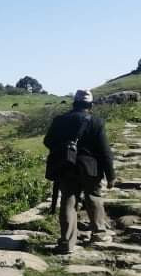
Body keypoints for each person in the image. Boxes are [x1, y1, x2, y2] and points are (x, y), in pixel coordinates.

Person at [43, 89, 115, 254]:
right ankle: (99, 235)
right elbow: (104, 151)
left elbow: (48, 141)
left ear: (74, 103)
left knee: (68, 201)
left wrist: (64, 149)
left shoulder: (60, 120)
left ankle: (66, 243)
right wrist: (111, 175)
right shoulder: (96, 122)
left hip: (66, 166)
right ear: (90, 105)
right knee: (93, 198)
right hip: (91, 168)